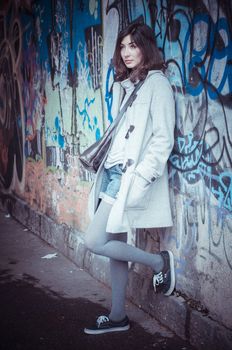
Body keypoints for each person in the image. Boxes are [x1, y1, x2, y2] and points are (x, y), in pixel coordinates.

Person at [84, 22, 175, 335]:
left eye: (133, 46)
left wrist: (140, 179)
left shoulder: (158, 84)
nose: (126, 53)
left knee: (95, 241)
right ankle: (118, 315)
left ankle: (159, 263)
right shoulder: (129, 84)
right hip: (111, 172)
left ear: (146, 47)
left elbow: (163, 139)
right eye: (123, 47)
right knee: (113, 245)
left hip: (126, 177)